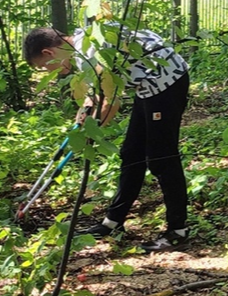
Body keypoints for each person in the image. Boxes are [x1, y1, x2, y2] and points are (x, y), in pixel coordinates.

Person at [23, 22, 191, 253]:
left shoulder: (90, 52)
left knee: (162, 159)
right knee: (131, 154)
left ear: (48, 53)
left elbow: (111, 102)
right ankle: (113, 222)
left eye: (45, 67)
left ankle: (177, 231)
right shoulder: (85, 42)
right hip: (148, 86)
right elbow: (96, 94)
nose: (50, 73)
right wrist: (83, 118)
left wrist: (89, 134)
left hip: (166, 83)